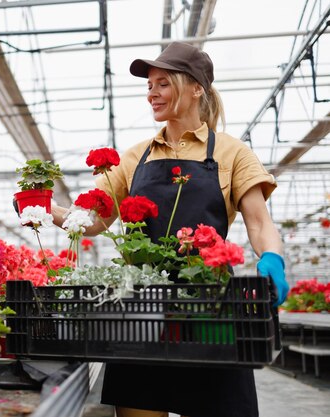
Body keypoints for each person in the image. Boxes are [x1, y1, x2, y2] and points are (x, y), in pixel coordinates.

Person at [50, 41, 289, 417]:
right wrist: (46, 209)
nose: (152, 94)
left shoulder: (230, 152)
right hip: (140, 312)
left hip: (210, 309)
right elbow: (93, 221)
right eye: (149, 85)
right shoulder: (136, 156)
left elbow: (259, 221)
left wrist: (272, 258)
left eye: (163, 83)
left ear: (196, 88)